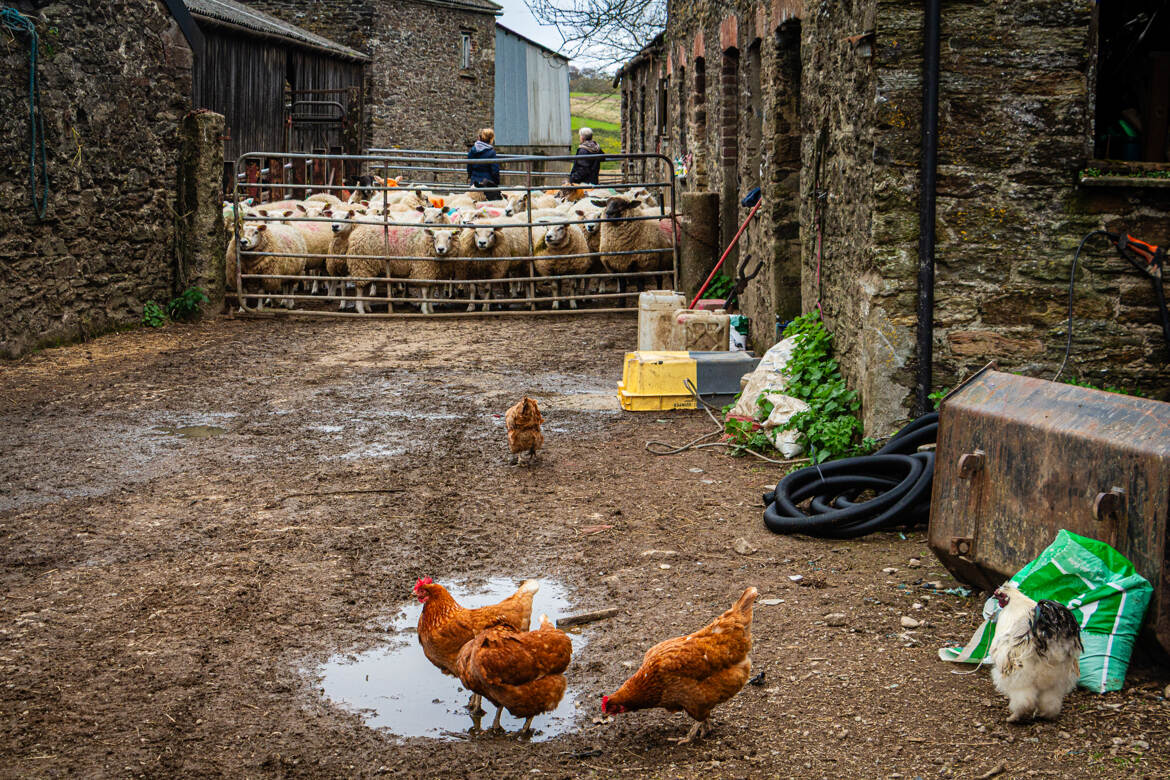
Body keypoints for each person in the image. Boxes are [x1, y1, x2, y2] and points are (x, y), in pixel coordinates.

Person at [467, 127, 501, 200]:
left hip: (474, 183)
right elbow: (495, 170)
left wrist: (470, 177)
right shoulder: (491, 153)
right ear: (491, 139)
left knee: (473, 203)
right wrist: (496, 182)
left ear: (480, 137)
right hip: (487, 185)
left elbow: (469, 166)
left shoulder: (472, 150)